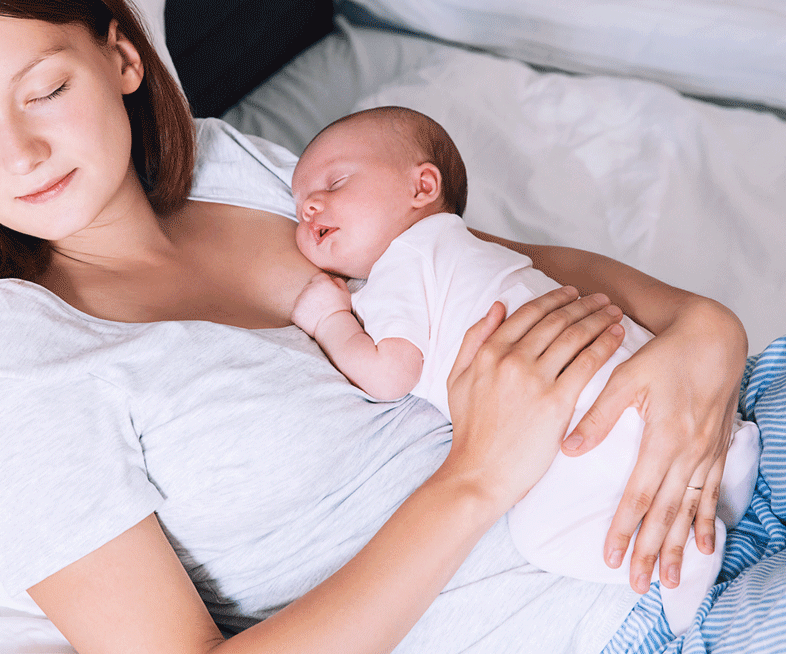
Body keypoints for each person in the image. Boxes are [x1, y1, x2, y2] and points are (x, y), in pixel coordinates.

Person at [0, 0, 748, 652]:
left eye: (45, 90)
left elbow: (476, 255)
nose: (19, 154)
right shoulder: (18, 385)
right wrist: (475, 478)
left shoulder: (230, 170)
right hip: (617, 614)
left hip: (714, 428)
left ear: (121, 56)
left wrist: (703, 327)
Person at [289, 106, 760, 634]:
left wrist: (331, 321)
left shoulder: (395, 271)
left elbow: (390, 372)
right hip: (643, 370)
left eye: (335, 182)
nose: (309, 205)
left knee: (539, 534)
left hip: (577, 426)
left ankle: (683, 559)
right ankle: (736, 454)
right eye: (299, 203)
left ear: (423, 186)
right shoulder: (464, 244)